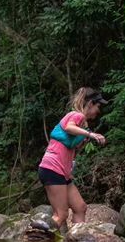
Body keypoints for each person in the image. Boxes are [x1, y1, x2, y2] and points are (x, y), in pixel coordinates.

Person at [37, 87, 107, 232]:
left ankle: (77, 240)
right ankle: (36, 234)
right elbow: (69, 127)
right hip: (52, 168)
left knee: (80, 207)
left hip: (62, 172)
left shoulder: (82, 126)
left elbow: (69, 149)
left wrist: (85, 138)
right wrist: (91, 135)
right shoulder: (77, 115)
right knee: (61, 214)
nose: (98, 111)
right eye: (98, 106)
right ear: (90, 104)